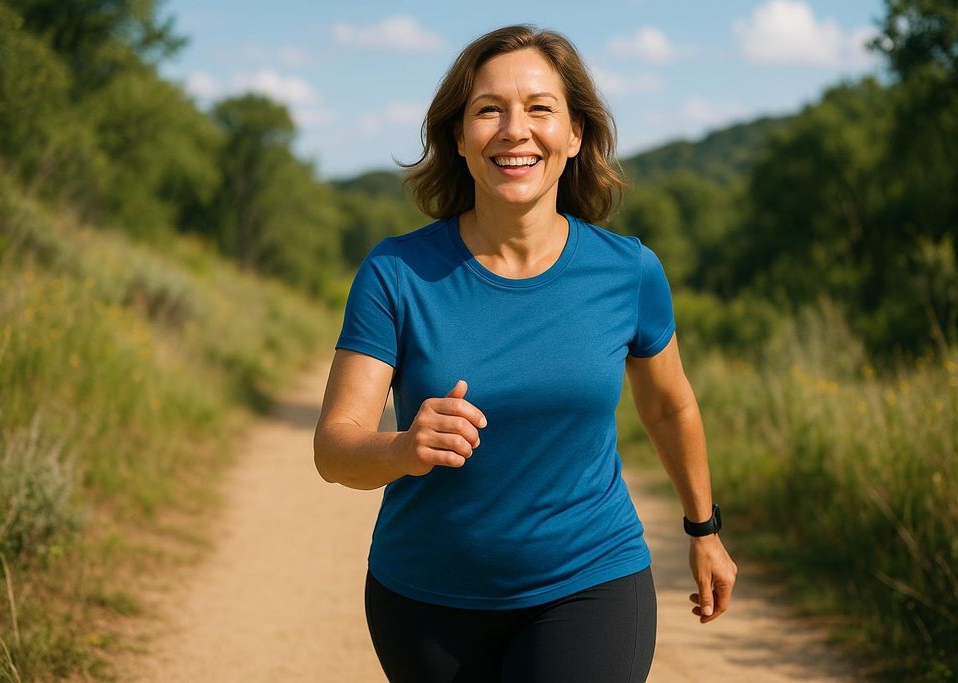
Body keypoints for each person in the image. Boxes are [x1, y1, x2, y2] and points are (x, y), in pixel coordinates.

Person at [314, 24, 738, 683]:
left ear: (574, 135)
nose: (515, 129)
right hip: (424, 601)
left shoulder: (629, 272)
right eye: (489, 109)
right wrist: (402, 448)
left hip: (591, 581)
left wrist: (703, 527)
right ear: (458, 137)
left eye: (540, 108)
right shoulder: (396, 272)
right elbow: (335, 448)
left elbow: (668, 403)